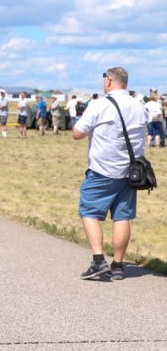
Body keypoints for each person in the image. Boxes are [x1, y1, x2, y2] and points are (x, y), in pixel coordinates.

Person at [72, 67, 149, 281]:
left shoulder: (99, 104)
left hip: (102, 169)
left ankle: (98, 261)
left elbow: (77, 134)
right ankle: (118, 265)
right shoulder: (138, 105)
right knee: (122, 217)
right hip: (130, 171)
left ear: (108, 82)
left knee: (89, 211)